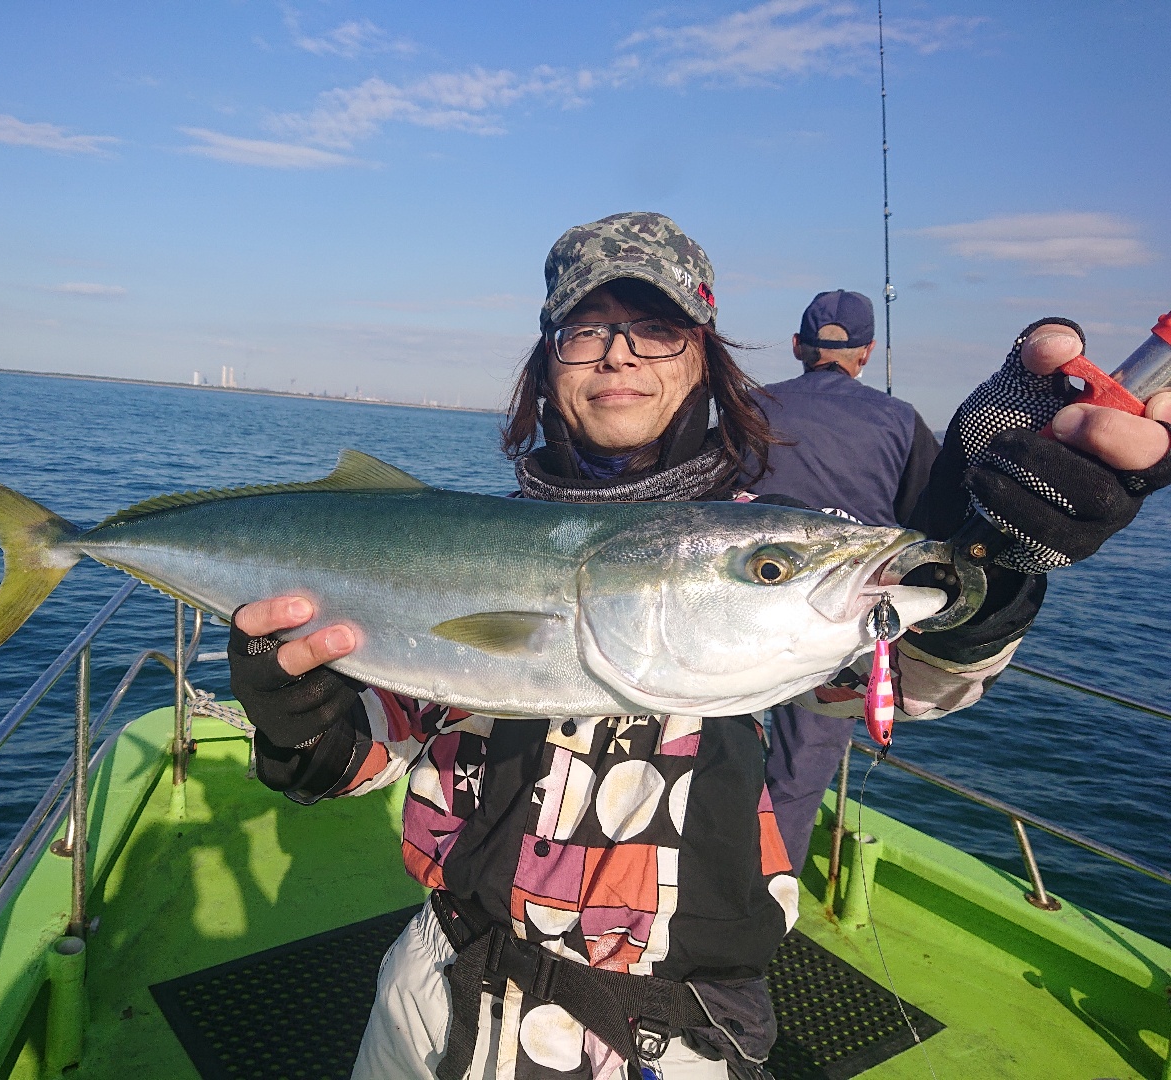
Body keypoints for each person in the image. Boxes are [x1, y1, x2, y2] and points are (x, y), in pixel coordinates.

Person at [227, 212, 1171, 1080]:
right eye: (586, 330)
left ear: (703, 359)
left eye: (659, 329)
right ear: (548, 362)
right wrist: (299, 728)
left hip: (662, 1031)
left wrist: (982, 575)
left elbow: (901, 679)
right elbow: (367, 753)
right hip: (432, 991)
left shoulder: (765, 545)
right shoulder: (471, 541)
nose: (618, 357)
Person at [749, 289, 940, 876]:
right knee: (799, 774)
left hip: (735, 615)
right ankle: (759, 901)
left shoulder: (751, 404)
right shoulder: (901, 418)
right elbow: (928, 525)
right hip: (837, 633)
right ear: (867, 351)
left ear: (799, 347)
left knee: (710, 750)